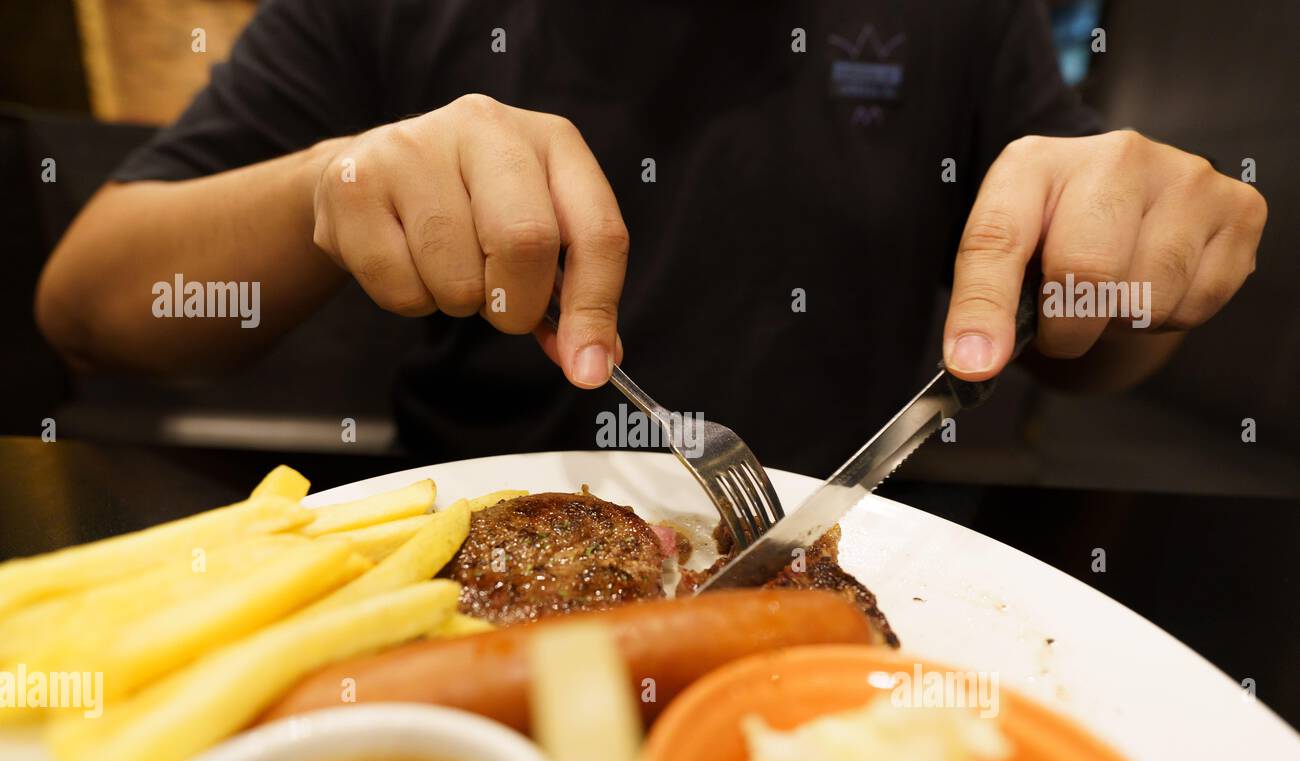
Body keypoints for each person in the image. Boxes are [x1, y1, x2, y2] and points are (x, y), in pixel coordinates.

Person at [34, 1, 1266, 476]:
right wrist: (323, 186)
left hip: (900, 575)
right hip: (469, 567)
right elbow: (85, 305)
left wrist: (1132, 284)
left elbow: (1081, 350)